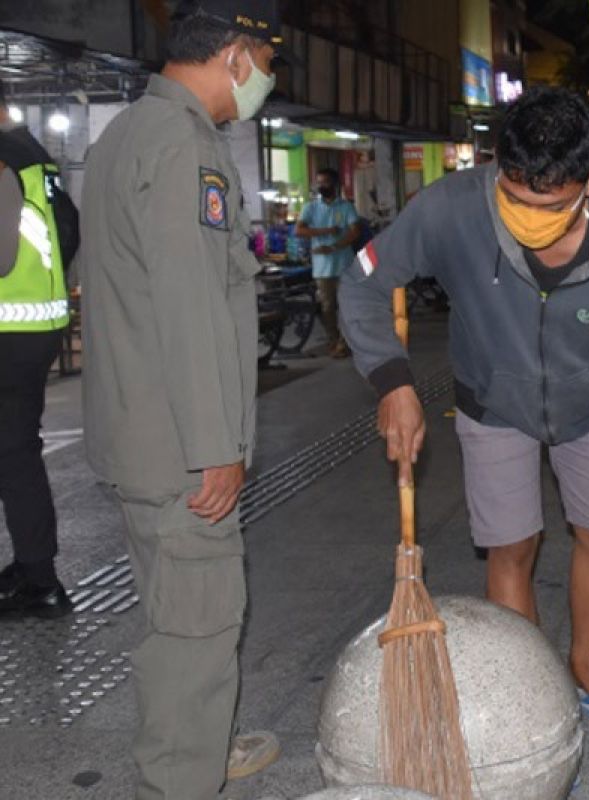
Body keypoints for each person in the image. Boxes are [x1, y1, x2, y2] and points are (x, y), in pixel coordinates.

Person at [339, 86, 589, 729]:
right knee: (512, 546)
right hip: (493, 400)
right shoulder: (453, 208)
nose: (527, 218)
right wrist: (393, 380)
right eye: (514, 199)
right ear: (497, 169)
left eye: (552, 205)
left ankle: (583, 662)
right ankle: (531, 678)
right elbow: (363, 285)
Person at [80, 1, 287, 794]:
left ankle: (199, 744)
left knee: (173, 613)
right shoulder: (184, 146)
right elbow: (191, 307)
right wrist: (216, 449)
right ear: (235, 55)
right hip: (178, 446)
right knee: (198, 625)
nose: (266, 76)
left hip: (135, 431)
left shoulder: (126, 132)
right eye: (263, 58)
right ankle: (181, 777)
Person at [0, 83, 78, 618]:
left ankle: (40, 577)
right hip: (36, 326)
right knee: (16, 452)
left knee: (14, 455)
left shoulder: (4, 161)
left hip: (6, 330)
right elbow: (69, 232)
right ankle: (36, 572)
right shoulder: (37, 159)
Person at [295, 166, 361, 358]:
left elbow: (355, 231)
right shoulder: (311, 208)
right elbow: (299, 230)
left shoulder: (346, 207)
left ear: (335, 184)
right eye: (319, 182)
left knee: (346, 306)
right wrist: (326, 231)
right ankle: (333, 340)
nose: (322, 186)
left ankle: (344, 342)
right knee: (327, 307)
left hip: (344, 265)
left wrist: (333, 246)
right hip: (322, 269)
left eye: (326, 182)